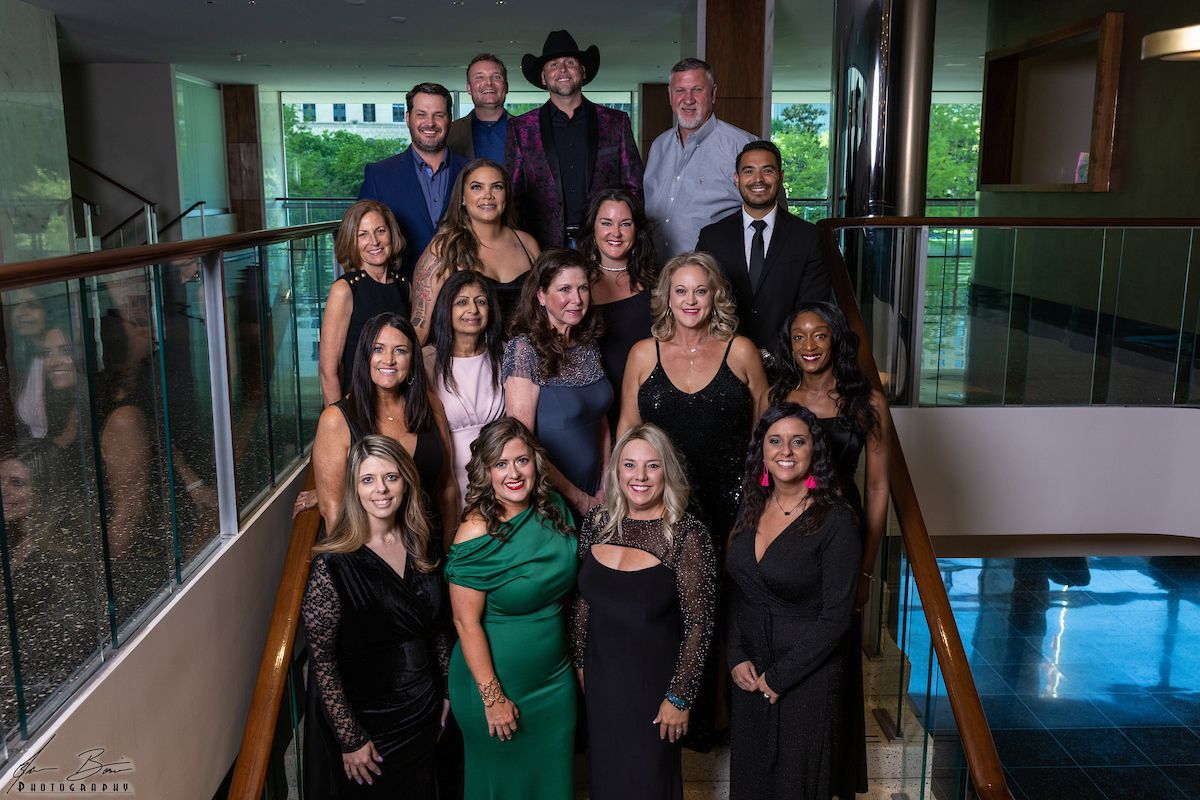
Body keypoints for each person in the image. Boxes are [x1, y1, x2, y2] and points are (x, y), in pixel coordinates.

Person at [771, 301, 891, 798]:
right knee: (790, 644)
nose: (809, 346)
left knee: (835, 654)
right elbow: (764, 471)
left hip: (842, 538)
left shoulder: (867, 402)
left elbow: (878, 488)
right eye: (798, 336)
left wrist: (866, 569)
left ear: (836, 338)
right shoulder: (779, 395)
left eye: (819, 334)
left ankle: (832, 777)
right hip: (790, 533)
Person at [571, 424, 716, 800]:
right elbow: (583, 600)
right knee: (607, 780)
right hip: (602, 684)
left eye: (652, 466)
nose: (640, 476)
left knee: (648, 782)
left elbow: (699, 625)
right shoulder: (597, 522)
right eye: (629, 465)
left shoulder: (686, 535)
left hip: (653, 689)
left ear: (667, 471)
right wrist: (580, 663)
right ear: (616, 471)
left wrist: (680, 696)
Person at [301, 435, 451, 798]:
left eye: (391, 477)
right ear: (354, 489)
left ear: (406, 483)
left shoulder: (422, 544)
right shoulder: (332, 565)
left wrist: (448, 690)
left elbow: (436, 631)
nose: (381, 489)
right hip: (369, 729)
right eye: (368, 480)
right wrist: (350, 738)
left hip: (425, 714)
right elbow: (323, 661)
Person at [725, 403, 861, 800]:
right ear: (763, 452)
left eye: (798, 441)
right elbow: (738, 590)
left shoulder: (837, 520)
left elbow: (836, 618)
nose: (786, 451)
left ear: (814, 450)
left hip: (807, 677)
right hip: (750, 672)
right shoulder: (751, 506)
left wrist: (779, 678)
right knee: (751, 786)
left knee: (795, 788)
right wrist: (735, 655)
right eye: (775, 441)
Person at [445, 417, 577, 799]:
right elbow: (465, 623)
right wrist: (493, 698)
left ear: (536, 462)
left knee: (553, 784)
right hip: (496, 687)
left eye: (521, 460)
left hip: (555, 680)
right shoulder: (476, 531)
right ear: (486, 471)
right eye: (500, 464)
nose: (514, 473)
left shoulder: (553, 508)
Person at [618, 251, 767, 549]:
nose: (690, 301)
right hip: (660, 500)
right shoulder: (643, 354)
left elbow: (764, 433)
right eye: (681, 291)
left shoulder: (741, 351)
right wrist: (625, 498)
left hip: (734, 501)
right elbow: (627, 431)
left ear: (715, 296)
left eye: (700, 291)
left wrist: (760, 497)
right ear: (667, 298)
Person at [308, 313, 458, 553]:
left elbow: (446, 487)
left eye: (400, 351)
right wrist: (362, 566)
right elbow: (333, 509)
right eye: (378, 349)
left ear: (412, 359)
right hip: (368, 554)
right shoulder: (335, 420)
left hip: (429, 550)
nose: (389, 360)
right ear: (365, 356)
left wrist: (451, 554)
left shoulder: (431, 405)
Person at [506, 30, 643, 250]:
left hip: (604, 244)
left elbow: (633, 188)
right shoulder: (521, 128)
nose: (562, 69)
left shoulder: (615, 122)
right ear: (543, 77)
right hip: (542, 247)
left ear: (583, 71)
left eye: (570, 62)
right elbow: (512, 195)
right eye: (553, 64)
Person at [503, 249, 612, 513]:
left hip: (599, 490)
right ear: (541, 295)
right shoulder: (524, 350)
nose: (577, 299)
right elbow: (522, 444)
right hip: (554, 496)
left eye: (582, 288)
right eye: (565, 289)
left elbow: (601, 419)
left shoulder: (588, 344)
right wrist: (579, 499)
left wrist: (608, 481)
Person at [696, 140, 830, 350]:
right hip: (725, 357)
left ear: (781, 177)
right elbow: (701, 301)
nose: (758, 179)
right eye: (749, 171)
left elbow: (812, 309)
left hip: (787, 358)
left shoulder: (808, 237)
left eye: (767, 171)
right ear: (736, 179)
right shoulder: (711, 238)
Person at [410, 158, 539, 344]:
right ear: (462, 197)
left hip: (527, 357)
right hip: (468, 358)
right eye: (477, 187)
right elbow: (419, 327)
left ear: (506, 196)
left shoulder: (527, 243)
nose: (488, 195)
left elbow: (544, 312)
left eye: (497, 187)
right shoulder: (443, 248)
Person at [643, 58, 755, 262]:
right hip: (656, 272)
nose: (688, 99)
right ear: (670, 95)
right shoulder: (659, 146)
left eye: (697, 90)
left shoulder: (742, 146)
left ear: (713, 93)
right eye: (680, 90)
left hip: (715, 275)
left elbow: (770, 218)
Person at [358, 82, 468, 279]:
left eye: (438, 115)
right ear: (408, 118)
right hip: (401, 288)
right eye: (421, 114)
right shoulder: (379, 175)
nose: (430, 123)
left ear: (450, 119)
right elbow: (358, 238)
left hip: (462, 287)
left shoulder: (471, 172)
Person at [424, 270, 506, 509]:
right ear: (446, 310)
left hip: (501, 474)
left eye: (481, 301)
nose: (473, 310)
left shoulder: (505, 353)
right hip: (448, 480)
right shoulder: (426, 361)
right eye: (462, 302)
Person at [318, 200, 410, 404]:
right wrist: (339, 419)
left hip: (399, 402)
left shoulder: (404, 285)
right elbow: (328, 371)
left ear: (391, 234)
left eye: (380, 231)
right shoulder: (344, 289)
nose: (374, 241)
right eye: (363, 235)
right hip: (358, 402)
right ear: (351, 241)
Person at [577, 188, 658, 411]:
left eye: (625, 224)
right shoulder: (576, 283)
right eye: (606, 223)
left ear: (637, 230)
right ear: (593, 228)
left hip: (648, 397)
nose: (616, 233)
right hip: (596, 401)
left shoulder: (658, 282)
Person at [448, 54, 511, 163]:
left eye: (496, 77)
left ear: (506, 87)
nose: (489, 83)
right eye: (479, 77)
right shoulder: (450, 132)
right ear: (469, 88)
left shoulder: (527, 130)